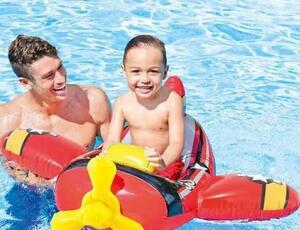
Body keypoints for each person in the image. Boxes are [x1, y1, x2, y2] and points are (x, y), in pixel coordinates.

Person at [0, 35, 111, 185]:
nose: (61, 79)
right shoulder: (7, 120)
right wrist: (54, 184)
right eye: (49, 76)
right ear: (26, 83)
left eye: (60, 67)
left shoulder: (92, 101)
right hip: (32, 197)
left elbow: (114, 149)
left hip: (88, 186)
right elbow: (16, 174)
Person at [103, 35, 185, 180]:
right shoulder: (122, 103)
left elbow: (176, 143)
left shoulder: (172, 101)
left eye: (153, 71)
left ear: (165, 72)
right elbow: (113, 139)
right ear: (124, 71)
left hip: (165, 163)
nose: (145, 79)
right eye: (136, 71)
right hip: (135, 162)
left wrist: (163, 162)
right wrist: (106, 154)